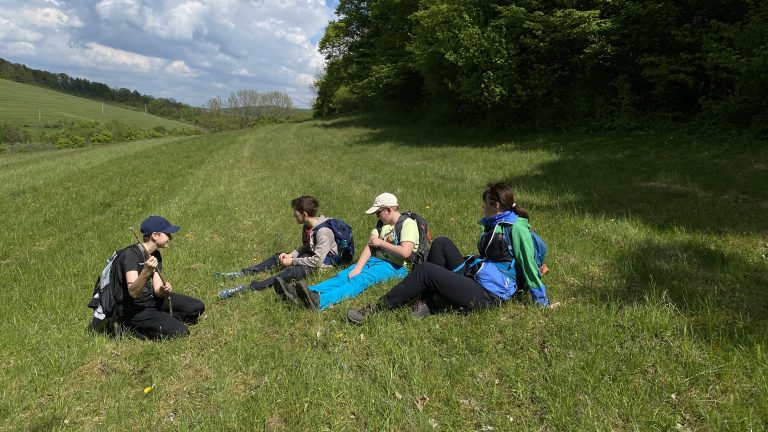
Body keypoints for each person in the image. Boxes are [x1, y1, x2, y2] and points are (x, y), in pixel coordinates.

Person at [346, 183, 550, 325]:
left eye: (485, 203)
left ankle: (376, 310)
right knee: (441, 242)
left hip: (490, 295)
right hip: (480, 279)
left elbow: (528, 264)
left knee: (426, 270)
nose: (482, 206)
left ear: (496, 206)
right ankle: (426, 302)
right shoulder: (496, 223)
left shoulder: (516, 228)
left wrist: (541, 301)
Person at [275, 192, 418, 311]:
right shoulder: (382, 224)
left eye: (378, 213)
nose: (377, 217)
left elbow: (405, 252)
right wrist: (358, 267)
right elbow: (370, 246)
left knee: (361, 279)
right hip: (376, 260)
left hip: (396, 266)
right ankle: (304, 292)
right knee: (344, 275)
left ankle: (319, 301)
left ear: (388, 209)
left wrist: (381, 243)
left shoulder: (407, 224)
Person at [217, 196, 341, 300]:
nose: (293, 214)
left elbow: (317, 261)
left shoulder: (323, 232)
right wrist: (292, 255)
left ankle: (251, 287)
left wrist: (292, 261)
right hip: (311, 256)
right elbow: (307, 246)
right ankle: (243, 273)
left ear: (304, 214)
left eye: (295, 212)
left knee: (294, 271)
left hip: (322, 265)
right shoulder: (308, 226)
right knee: (279, 257)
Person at [119, 216, 205, 339]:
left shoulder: (155, 255)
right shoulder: (131, 255)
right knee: (181, 332)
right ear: (155, 235)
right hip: (133, 308)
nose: (170, 238)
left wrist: (163, 290)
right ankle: (129, 328)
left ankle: (161, 320)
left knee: (197, 307)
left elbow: (157, 291)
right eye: (167, 234)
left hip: (151, 300)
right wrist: (146, 271)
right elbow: (133, 292)